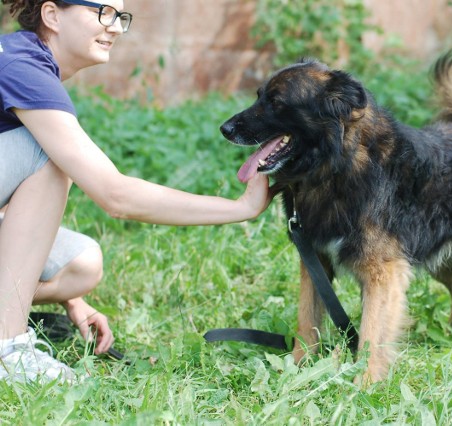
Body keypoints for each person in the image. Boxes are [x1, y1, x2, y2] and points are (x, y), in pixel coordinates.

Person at [0, 0, 272, 383]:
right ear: (52, 15)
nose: (115, 27)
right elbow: (116, 196)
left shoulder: (25, 61)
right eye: (103, 12)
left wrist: (70, 299)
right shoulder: (20, 67)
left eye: (120, 17)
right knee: (45, 155)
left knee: (82, 265)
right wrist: (239, 207)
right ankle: (7, 350)